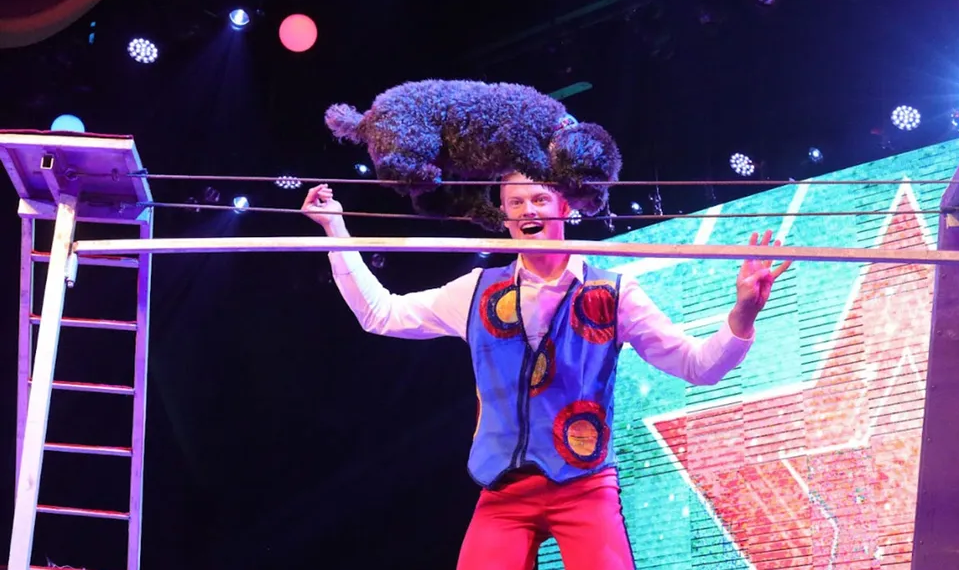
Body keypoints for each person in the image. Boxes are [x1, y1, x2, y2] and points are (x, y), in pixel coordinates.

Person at [301, 173, 791, 570]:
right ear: (505, 217)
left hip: (584, 486)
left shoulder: (614, 293)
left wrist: (744, 314)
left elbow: (696, 366)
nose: (527, 211)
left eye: (539, 199)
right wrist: (336, 231)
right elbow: (380, 314)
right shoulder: (475, 291)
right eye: (515, 203)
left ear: (566, 208)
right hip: (503, 491)